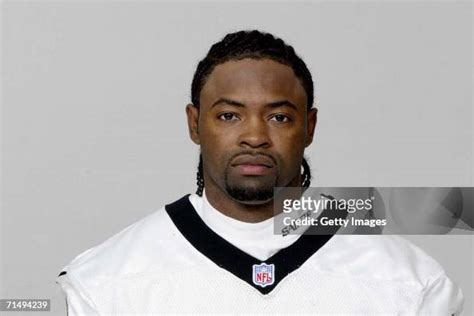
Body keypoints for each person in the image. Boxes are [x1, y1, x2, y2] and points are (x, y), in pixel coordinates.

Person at [56, 30, 464, 314]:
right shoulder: (105, 281)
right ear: (195, 124)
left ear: (310, 126)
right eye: (230, 115)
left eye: (280, 117)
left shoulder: (411, 284)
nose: (254, 136)